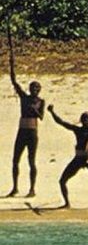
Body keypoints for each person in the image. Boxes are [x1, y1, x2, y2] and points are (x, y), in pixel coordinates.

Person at [6, 29, 44, 199]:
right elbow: (14, 82)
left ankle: (32, 189)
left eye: (37, 88)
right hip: (22, 130)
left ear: (39, 90)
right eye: (32, 88)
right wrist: (12, 63)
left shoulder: (40, 102)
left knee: (31, 161)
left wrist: (34, 108)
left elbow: (41, 117)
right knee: (15, 160)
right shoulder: (24, 97)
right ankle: (15, 188)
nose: (34, 90)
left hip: (33, 132)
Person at [48, 106, 88, 209]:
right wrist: (52, 112)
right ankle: (67, 203)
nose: (86, 121)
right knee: (62, 181)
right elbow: (61, 123)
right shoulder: (78, 130)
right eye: (84, 119)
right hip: (78, 160)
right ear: (81, 120)